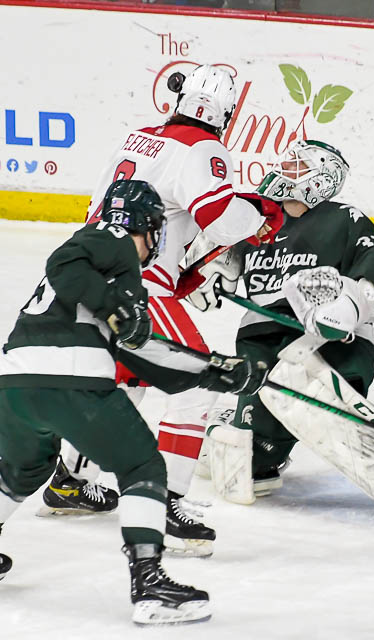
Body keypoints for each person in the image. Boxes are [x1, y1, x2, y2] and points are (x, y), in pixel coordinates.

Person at [0, 179, 269, 625]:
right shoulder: (113, 241)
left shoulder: (111, 280)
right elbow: (63, 262)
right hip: (72, 380)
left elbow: (141, 353)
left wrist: (214, 371)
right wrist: (117, 306)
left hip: (13, 385)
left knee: (22, 470)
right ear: (147, 226)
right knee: (143, 466)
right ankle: (150, 586)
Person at [43, 63, 283, 556]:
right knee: (198, 381)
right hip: (139, 286)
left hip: (89, 279)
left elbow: (121, 210)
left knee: (125, 379)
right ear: (225, 114)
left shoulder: (137, 139)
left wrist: (181, 270)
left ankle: (71, 480)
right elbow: (219, 218)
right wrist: (259, 214)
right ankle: (165, 506)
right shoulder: (203, 147)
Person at [183, 138, 374, 524]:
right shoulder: (256, 220)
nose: (284, 169)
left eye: (297, 165)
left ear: (321, 180)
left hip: (332, 341)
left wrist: (352, 303)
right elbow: (208, 259)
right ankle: (230, 421)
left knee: (305, 388)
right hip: (261, 346)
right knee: (245, 463)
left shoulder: (341, 218)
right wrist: (203, 273)